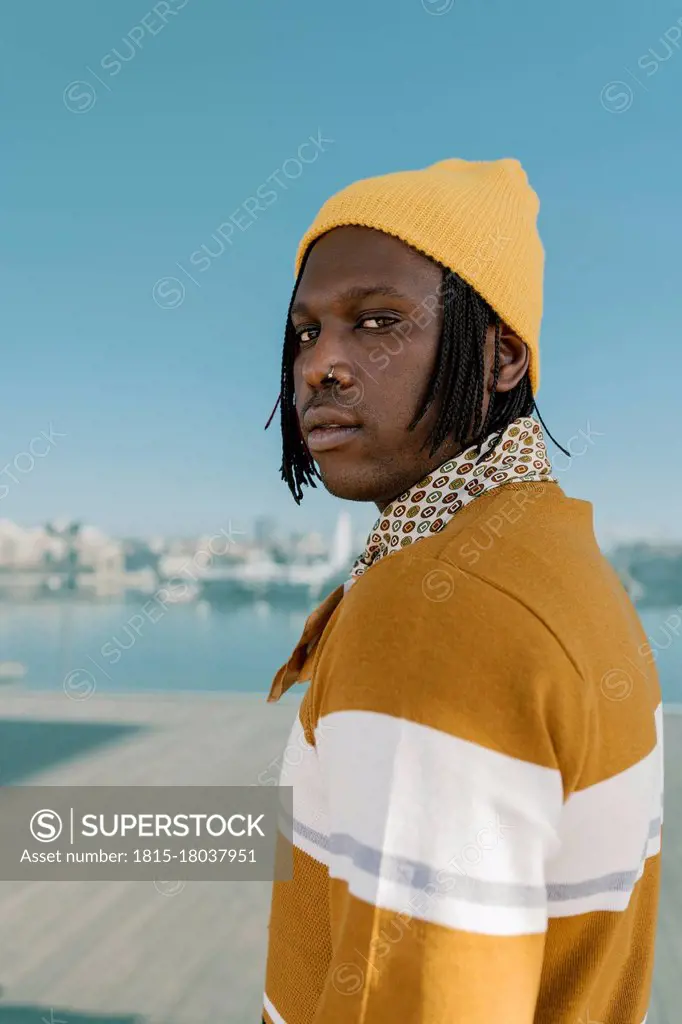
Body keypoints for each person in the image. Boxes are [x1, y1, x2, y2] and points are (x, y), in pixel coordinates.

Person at [261, 157, 663, 1023]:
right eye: (304, 333)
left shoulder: (433, 608)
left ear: (503, 356)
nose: (321, 365)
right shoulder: (553, 557)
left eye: (377, 322)